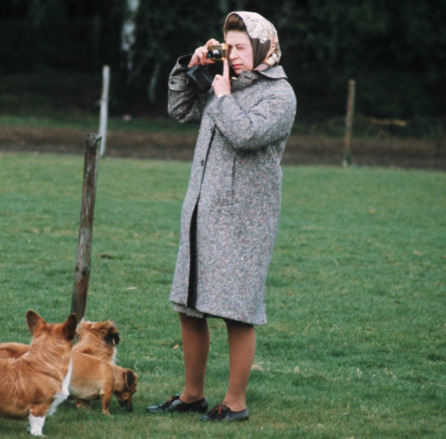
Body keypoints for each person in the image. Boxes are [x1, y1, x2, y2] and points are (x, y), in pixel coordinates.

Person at [146, 11, 296, 422]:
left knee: (236, 310)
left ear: (265, 47)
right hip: (202, 209)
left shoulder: (279, 95)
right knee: (190, 305)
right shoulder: (221, 82)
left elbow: (246, 135)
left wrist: (224, 94)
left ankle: (235, 404)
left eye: (243, 48)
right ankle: (192, 394)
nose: (236, 55)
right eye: (230, 47)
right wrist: (189, 69)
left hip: (245, 219)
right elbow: (179, 110)